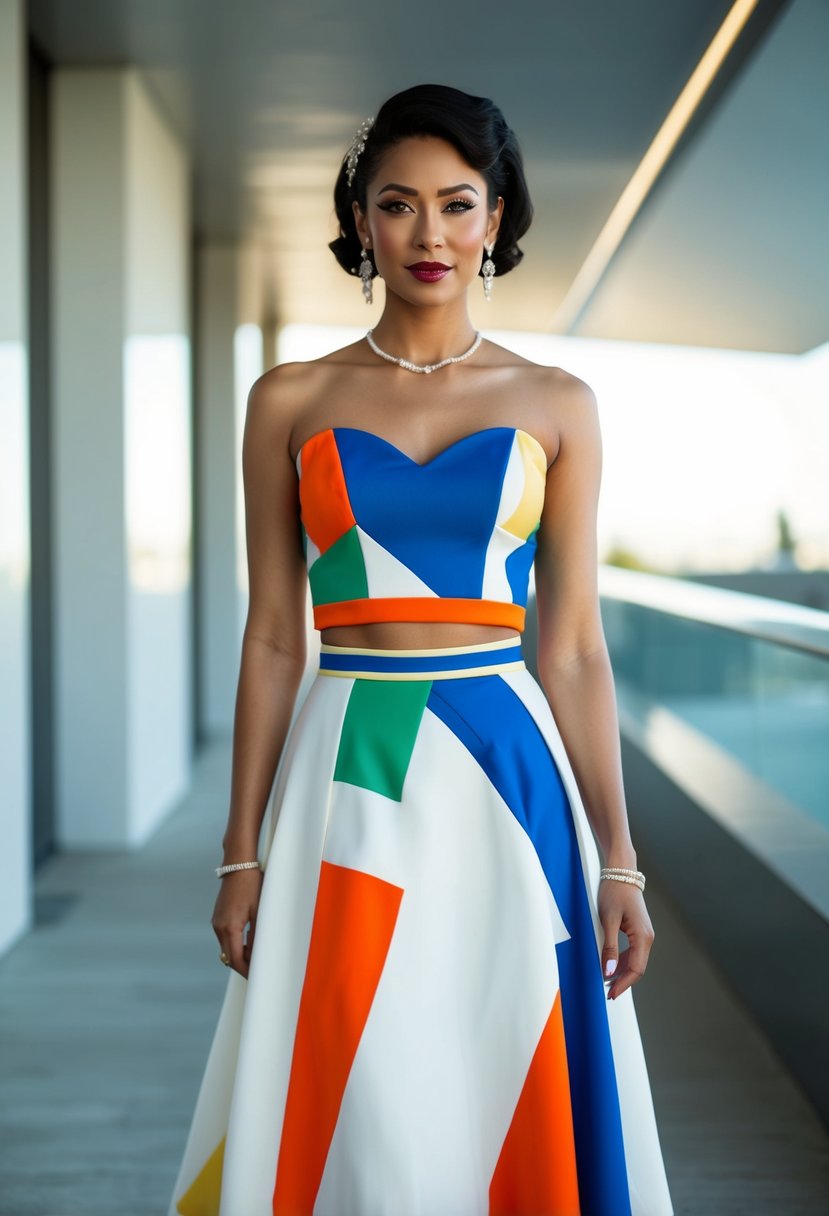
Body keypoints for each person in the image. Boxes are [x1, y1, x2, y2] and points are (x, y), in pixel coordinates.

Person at [169, 83, 674, 1216]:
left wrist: (620, 858)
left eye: (457, 204)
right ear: (360, 220)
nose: (429, 234)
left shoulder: (558, 402)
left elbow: (577, 648)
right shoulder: (288, 398)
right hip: (352, 766)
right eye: (398, 206)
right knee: (359, 1064)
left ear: (497, 218)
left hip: (508, 771)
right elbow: (267, 637)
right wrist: (239, 848)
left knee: (507, 1041)